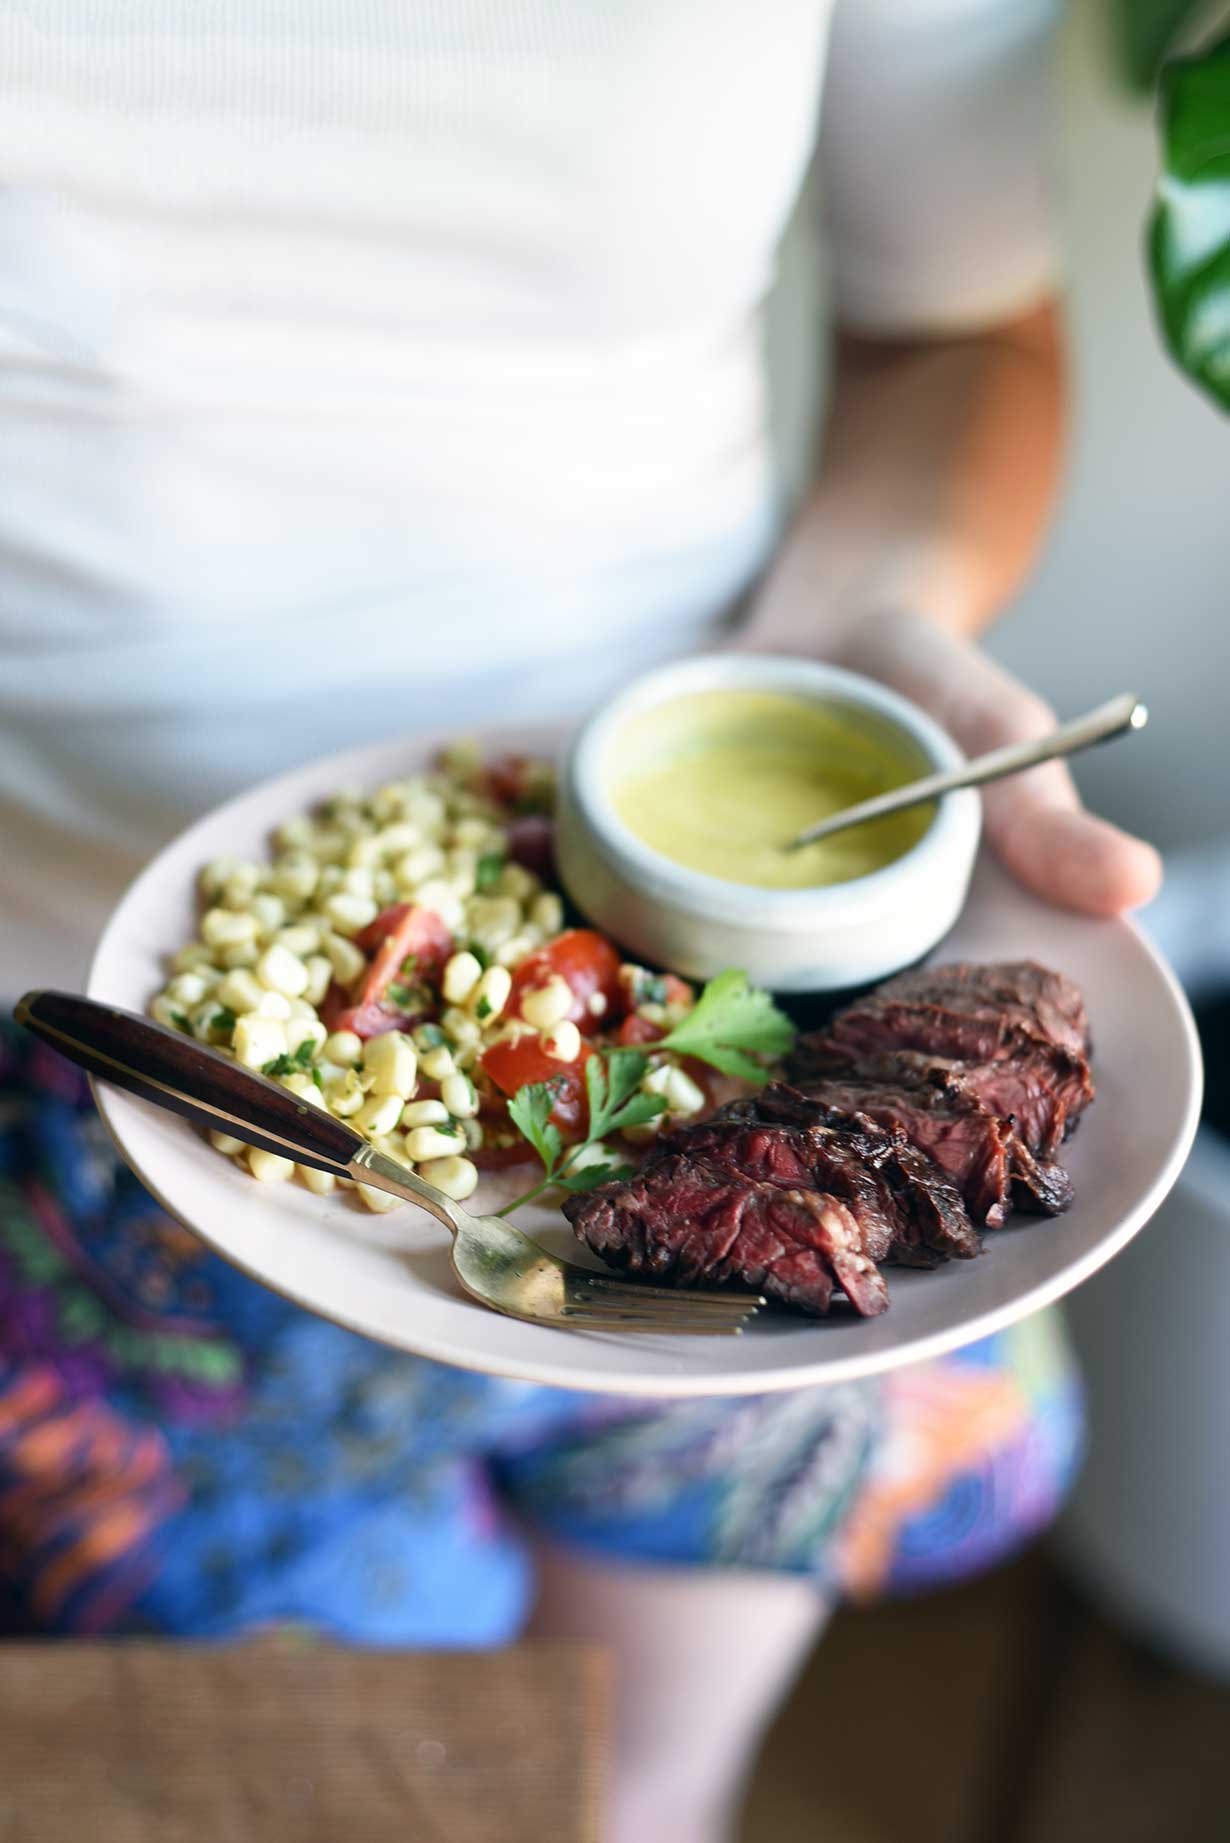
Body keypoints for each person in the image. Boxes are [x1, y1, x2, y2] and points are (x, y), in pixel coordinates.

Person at [0, 4, 1160, 1839]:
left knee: (642, 1786)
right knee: (342, 1799)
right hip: (81, 1020)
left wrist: (858, 618)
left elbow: (955, 331)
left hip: (747, 975)